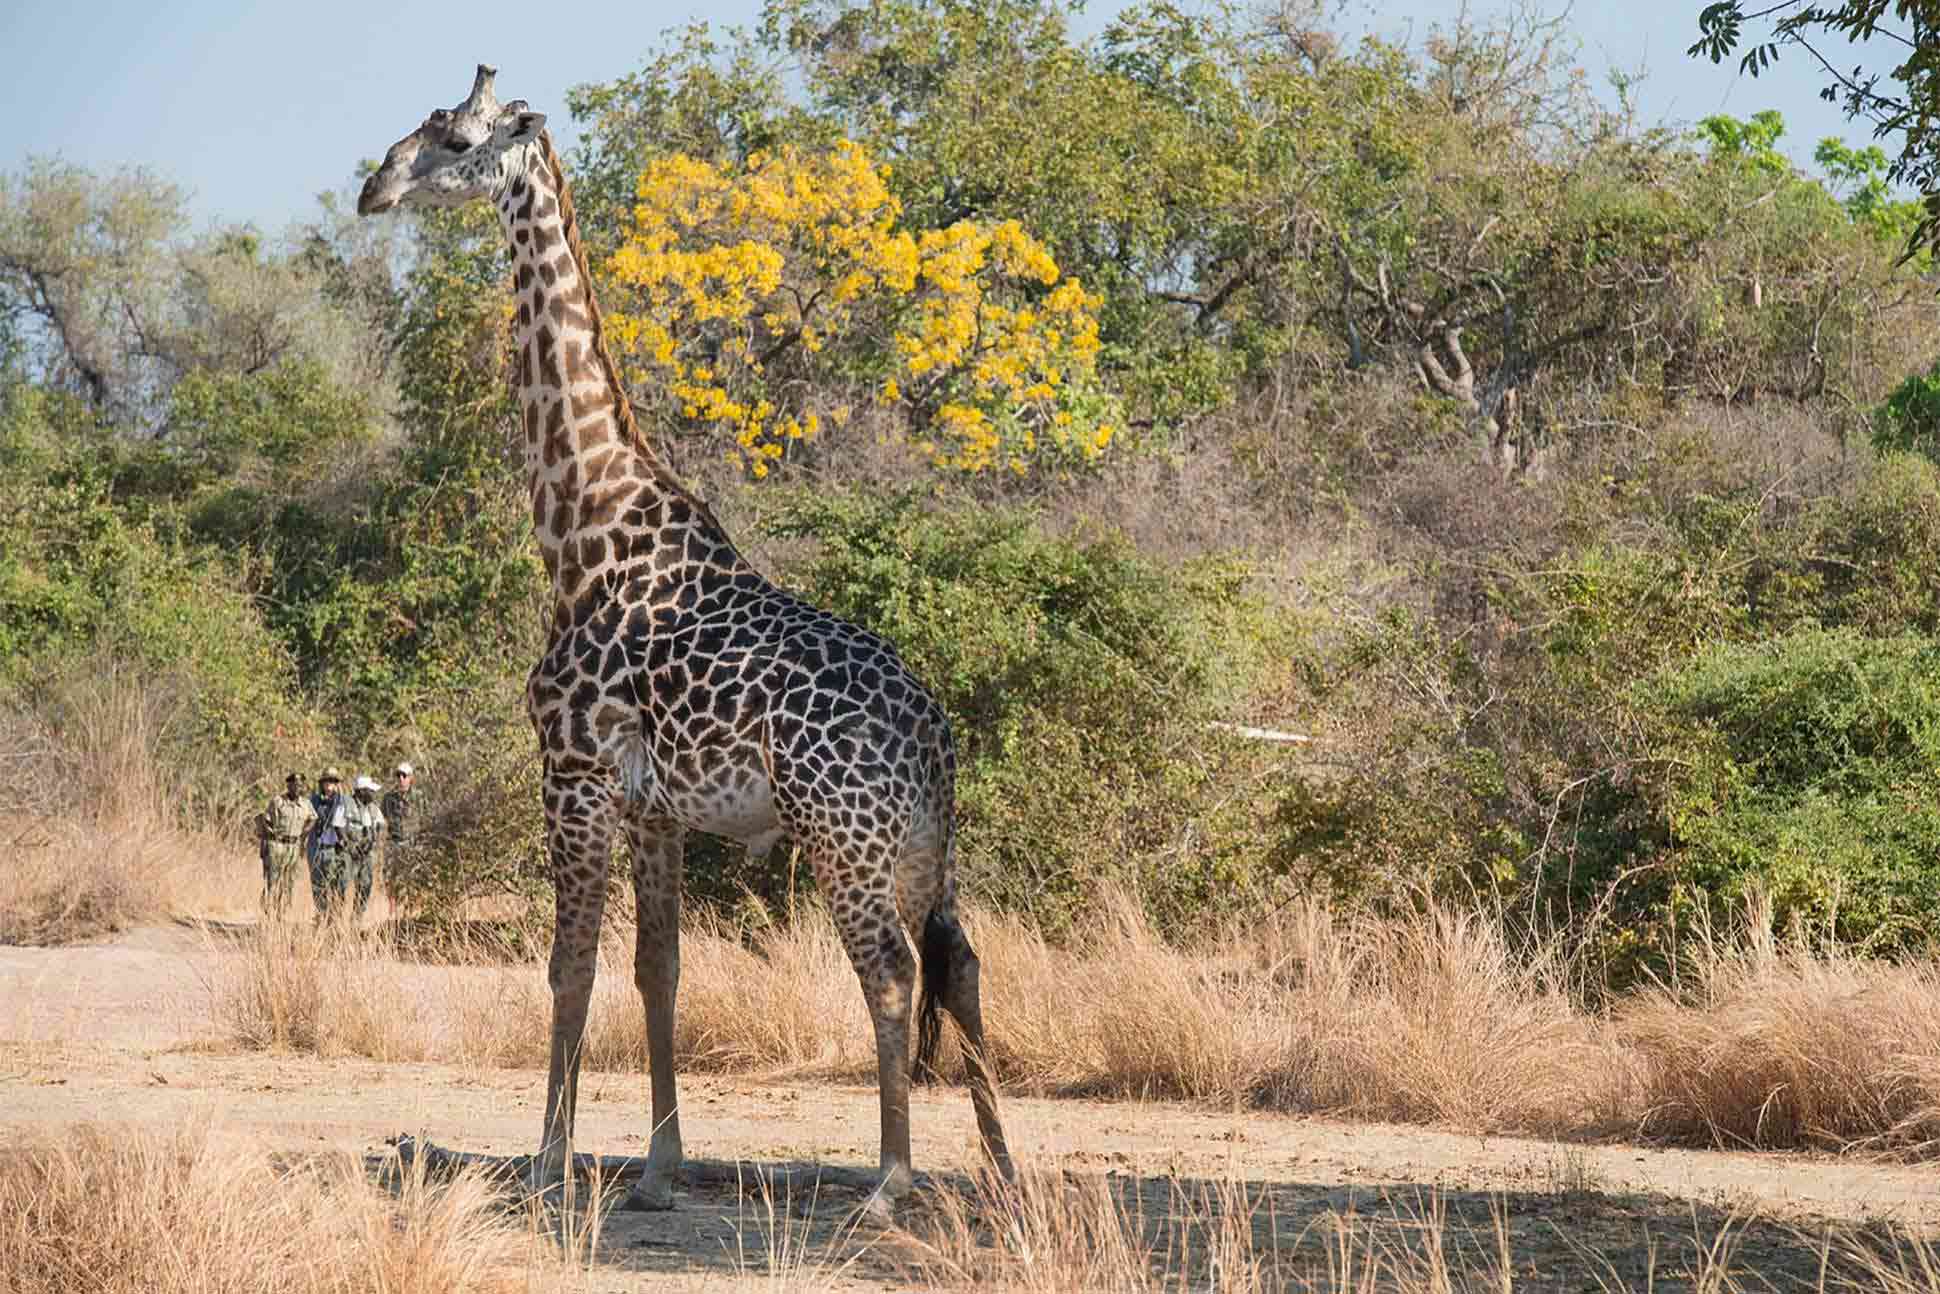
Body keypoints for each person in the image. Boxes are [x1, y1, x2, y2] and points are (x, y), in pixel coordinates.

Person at [256, 772, 316, 920]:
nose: (297, 788)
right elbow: (266, 820)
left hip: (294, 846)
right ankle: (268, 910)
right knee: (272, 880)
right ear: (288, 785)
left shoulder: (306, 804)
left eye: (300, 785)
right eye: (294, 784)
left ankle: (280, 913)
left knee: (289, 882)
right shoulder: (278, 801)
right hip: (277, 844)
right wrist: (268, 834)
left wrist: (304, 834)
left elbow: (313, 818)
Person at [306, 768, 351, 921]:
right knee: (318, 885)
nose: (330, 784)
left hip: (334, 850)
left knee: (337, 886)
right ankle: (322, 915)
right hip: (317, 848)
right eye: (327, 781)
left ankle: (335, 918)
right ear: (322, 783)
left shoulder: (343, 801)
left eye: (333, 781)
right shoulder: (314, 800)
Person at [345, 774, 388, 919]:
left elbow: (381, 826)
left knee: (365, 886)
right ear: (361, 791)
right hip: (350, 853)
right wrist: (350, 846)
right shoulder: (347, 805)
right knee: (342, 886)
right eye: (370, 790)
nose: (373, 793)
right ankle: (334, 918)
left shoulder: (374, 808)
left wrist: (374, 842)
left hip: (368, 853)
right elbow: (339, 828)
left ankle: (356, 917)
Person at [380, 761, 420, 892]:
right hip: (394, 843)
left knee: (413, 880)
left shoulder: (418, 797)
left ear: (411, 778)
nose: (401, 779)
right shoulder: (388, 798)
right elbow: (381, 820)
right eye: (398, 775)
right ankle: (392, 909)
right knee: (390, 879)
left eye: (404, 775)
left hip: (412, 844)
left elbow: (426, 820)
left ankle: (411, 909)